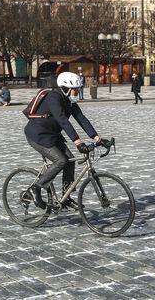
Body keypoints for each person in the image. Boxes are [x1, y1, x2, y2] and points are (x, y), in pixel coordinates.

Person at [24, 72, 106, 209]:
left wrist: (97, 138)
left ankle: (66, 197)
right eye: (75, 90)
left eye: (78, 89)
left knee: (70, 161)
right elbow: (63, 121)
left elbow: (81, 119)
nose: (77, 92)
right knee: (61, 161)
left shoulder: (69, 100)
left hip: (52, 135)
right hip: (37, 135)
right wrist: (78, 142)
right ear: (65, 88)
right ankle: (36, 188)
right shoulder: (53, 98)